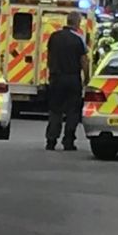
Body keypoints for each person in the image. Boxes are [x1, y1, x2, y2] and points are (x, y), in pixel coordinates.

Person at [45, 11, 89, 151]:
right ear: (77, 22)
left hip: (56, 77)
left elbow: (49, 57)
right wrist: (86, 78)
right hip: (72, 78)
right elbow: (83, 60)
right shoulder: (78, 39)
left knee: (55, 110)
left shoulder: (54, 37)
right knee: (72, 111)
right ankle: (68, 141)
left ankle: (51, 140)